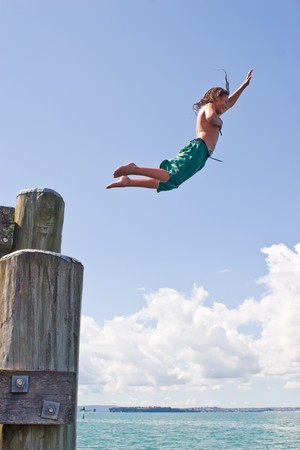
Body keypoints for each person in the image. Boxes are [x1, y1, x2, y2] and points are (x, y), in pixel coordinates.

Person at [106, 69, 253, 192]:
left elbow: (231, 103)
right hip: (198, 149)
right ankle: (134, 169)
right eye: (224, 101)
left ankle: (129, 182)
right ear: (215, 97)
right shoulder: (210, 107)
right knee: (172, 176)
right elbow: (211, 118)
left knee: (170, 183)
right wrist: (219, 121)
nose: (226, 105)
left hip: (202, 155)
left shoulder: (216, 107)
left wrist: (244, 85)